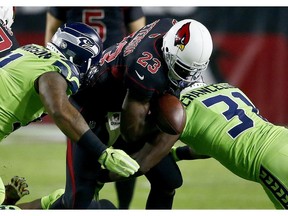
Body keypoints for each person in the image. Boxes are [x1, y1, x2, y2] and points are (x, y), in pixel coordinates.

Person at [48, 18, 213, 209]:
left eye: (193, 71)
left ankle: (99, 180)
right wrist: (159, 142)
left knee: (169, 180)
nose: (187, 78)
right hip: (91, 105)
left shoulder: (171, 27)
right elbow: (131, 134)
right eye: (182, 70)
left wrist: (164, 146)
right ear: (168, 53)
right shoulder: (146, 68)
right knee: (78, 200)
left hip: (121, 103)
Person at [0, 21, 140, 206]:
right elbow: (59, 109)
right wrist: (102, 153)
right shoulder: (58, 69)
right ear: (82, 57)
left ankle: (42, 204)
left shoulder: (29, 50)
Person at [44, 7, 146, 209]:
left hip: (88, 79)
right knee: (121, 147)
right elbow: (139, 37)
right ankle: (100, 203)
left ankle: (94, 201)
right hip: (109, 77)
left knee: (107, 145)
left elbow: (51, 33)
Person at [168, 80, 288, 209]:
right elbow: (214, 143)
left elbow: (152, 154)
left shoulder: (180, 111)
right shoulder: (227, 87)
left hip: (269, 159)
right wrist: (176, 154)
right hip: (282, 135)